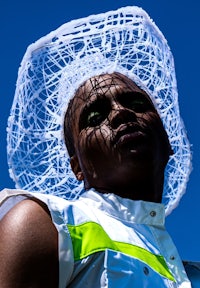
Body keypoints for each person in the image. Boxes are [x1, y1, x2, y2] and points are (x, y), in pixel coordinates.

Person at [0, 6, 199, 288]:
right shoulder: (46, 225)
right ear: (76, 166)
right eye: (94, 117)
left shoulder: (190, 273)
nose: (121, 113)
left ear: (168, 142)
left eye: (137, 104)